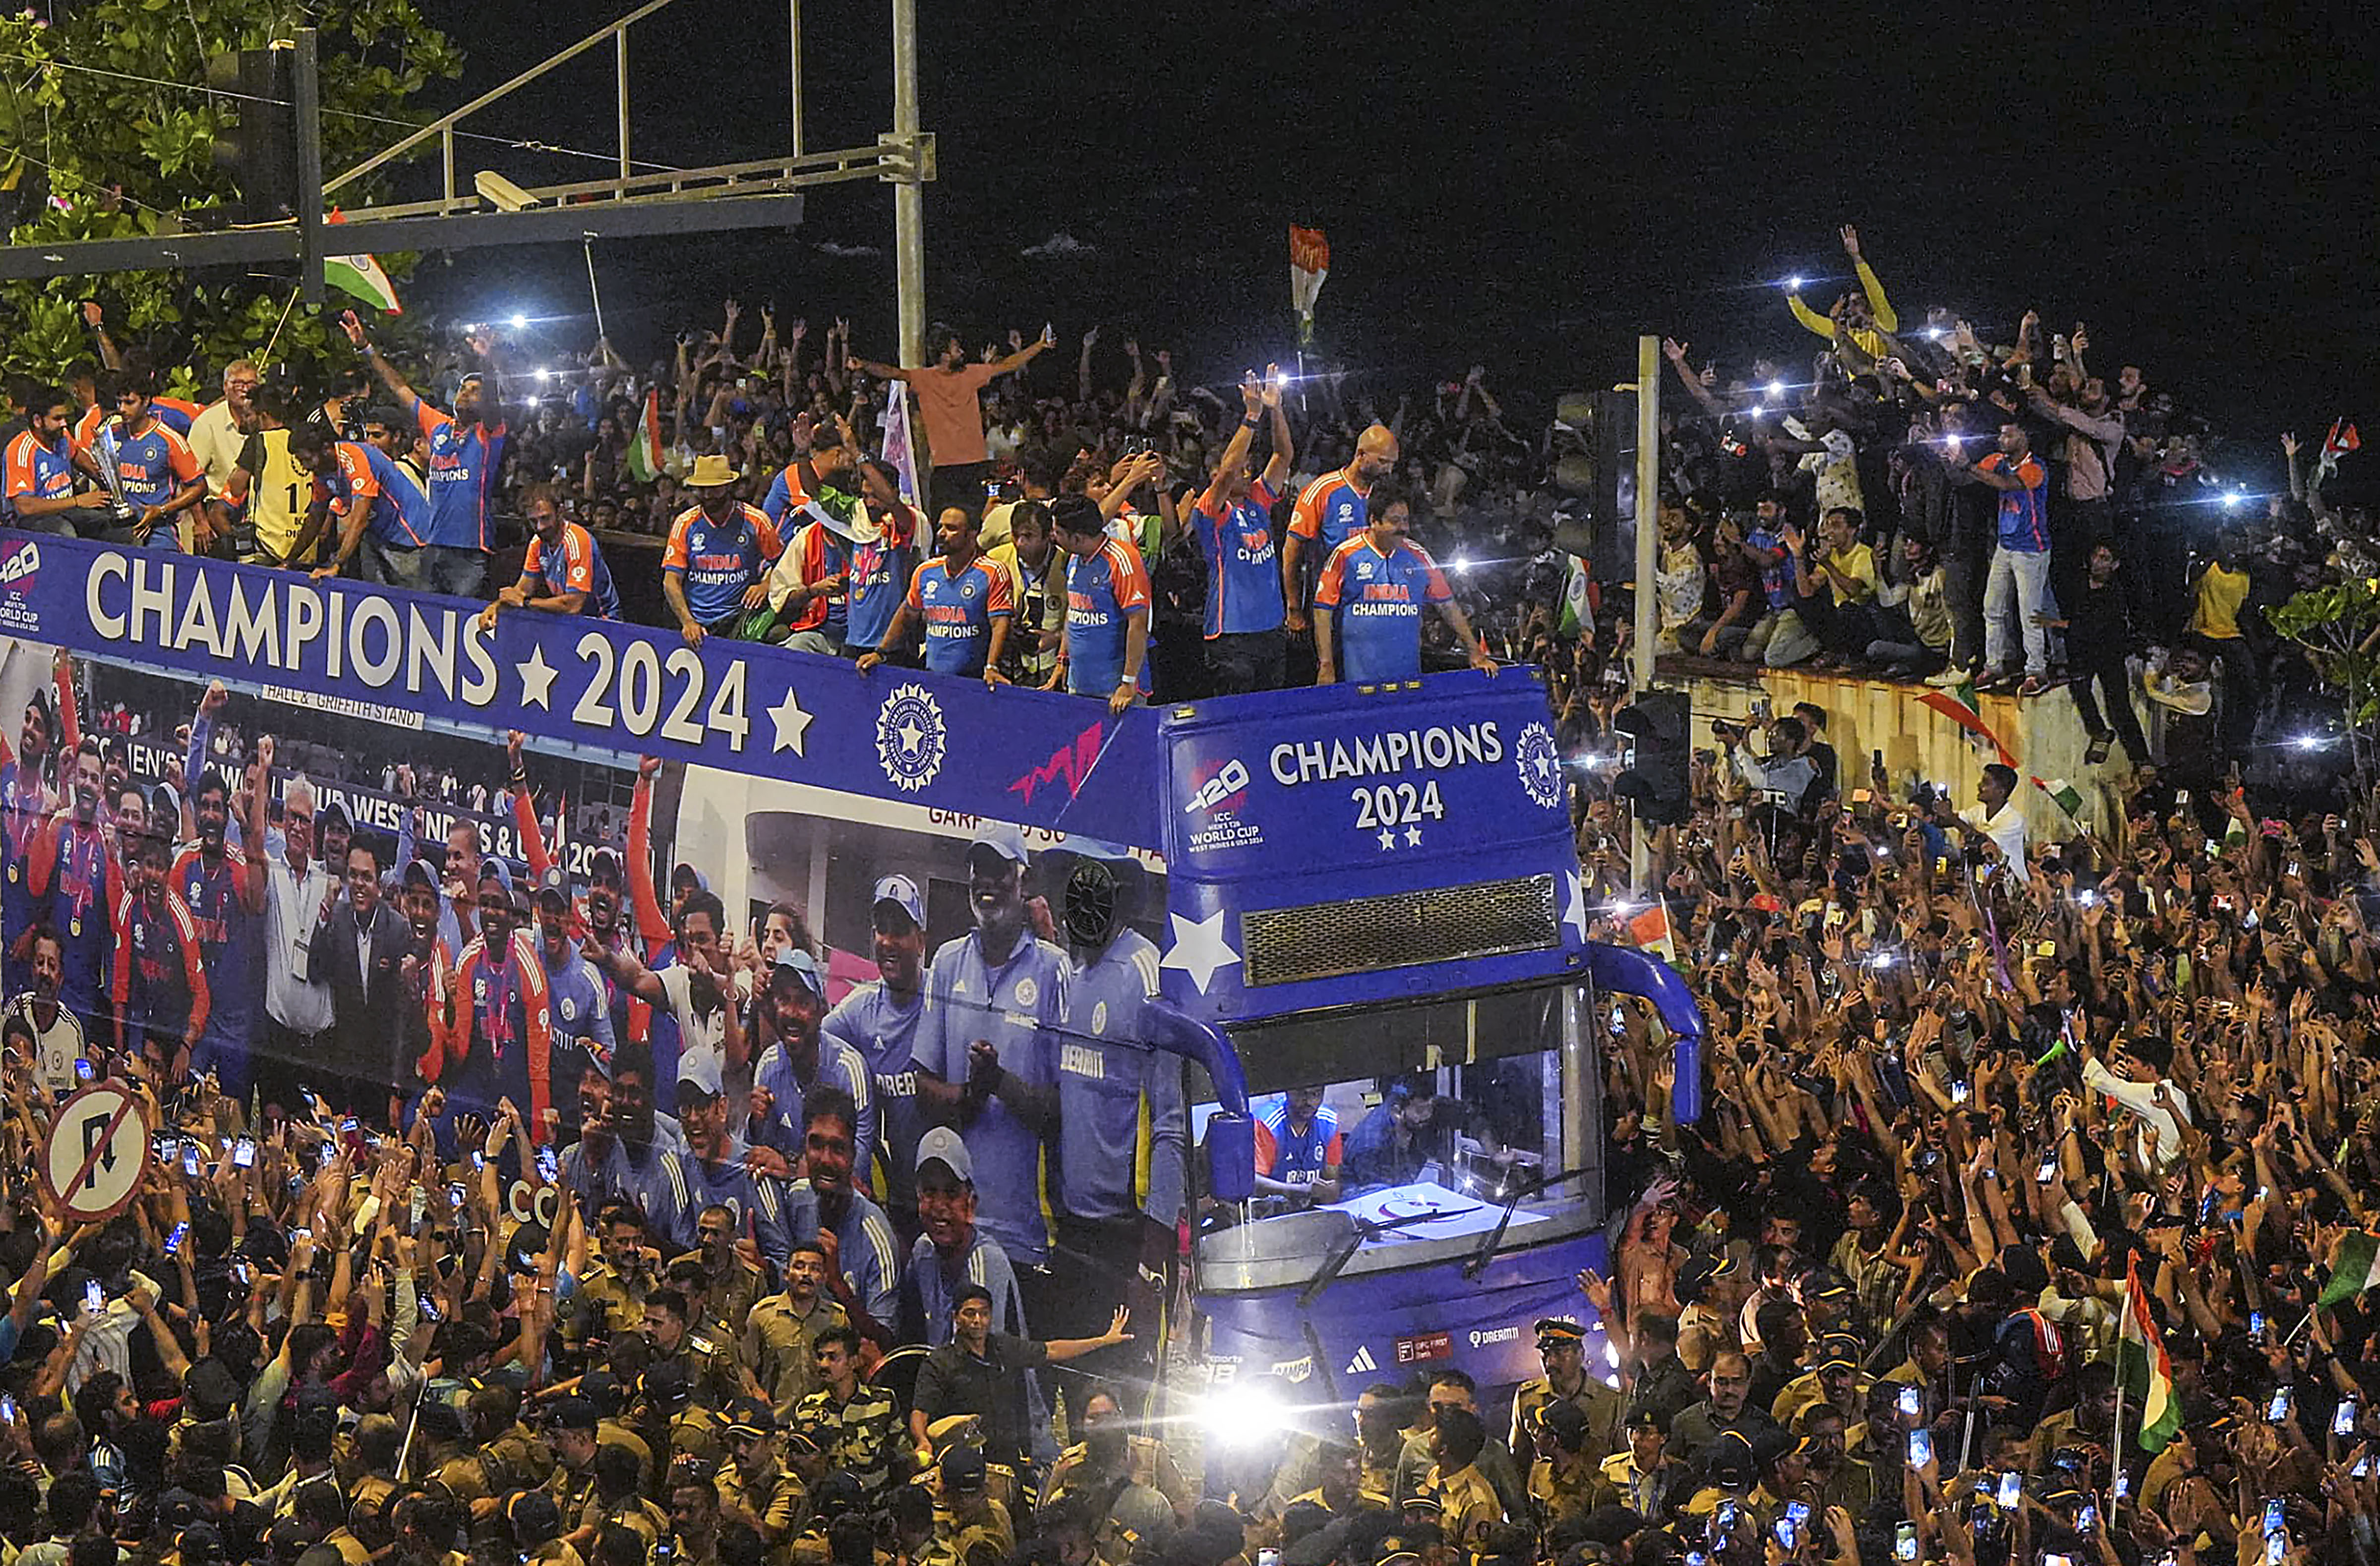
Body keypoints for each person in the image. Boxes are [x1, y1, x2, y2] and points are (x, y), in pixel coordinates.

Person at [913, 823, 1068, 1281]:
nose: (987, 882)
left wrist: (999, 1081)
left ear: (1024, 883)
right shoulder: (945, 962)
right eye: (979, 869)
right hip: (954, 1231)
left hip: (1027, 1236)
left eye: (1000, 870)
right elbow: (921, 1089)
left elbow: (1063, 1109)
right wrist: (970, 1095)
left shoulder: (1054, 970)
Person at [344, 313, 509, 596]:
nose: (466, 395)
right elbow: (399, 387)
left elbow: (494, 403)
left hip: (469, 553)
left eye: (475, 392)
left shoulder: (488, 433)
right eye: (463, 389)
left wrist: (486, 360)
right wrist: (366, 348)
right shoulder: (439, 427)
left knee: (462, 629)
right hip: (431, 547)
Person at [908, 1285, 1131, 1472]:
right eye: (970, 1313)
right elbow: (921, 1410)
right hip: (964, 1462)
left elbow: (1052, 1350)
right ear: (956, 1318)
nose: (978, 1320)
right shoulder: (940, 1362)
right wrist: (922, 1441)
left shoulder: (1003, 1347)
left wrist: (1103, 1341)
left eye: (984, 1313)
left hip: (1008, 1460)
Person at [848, 325, 1055, 517]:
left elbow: (1008, 365)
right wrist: (864, 365)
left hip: (975, 467)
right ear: (944, 355)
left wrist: (1039, 345)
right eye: (957, 349)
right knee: (945, 525)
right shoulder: (924, 378)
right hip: (945, 469)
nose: (962, 352)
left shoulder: (971, 374)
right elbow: (892, 372)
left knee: (975, 524)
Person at [1312, 486, 1497, 685]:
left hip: (1407, 679)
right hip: (1357, 679)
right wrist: (1326, 664)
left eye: (1406, 520)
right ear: (1374, 521)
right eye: (1395, 521)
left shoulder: (1418, 555)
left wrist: (1476, 653)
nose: (1403, 528)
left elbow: (1447, 606)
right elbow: (1322, 610)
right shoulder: (1346, 555)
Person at [822, 875, 929, 1216]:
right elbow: (810, 1043)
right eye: (881, 929)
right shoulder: (860, 1008)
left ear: (921, 940)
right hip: (896, 1194)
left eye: (899, 930)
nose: (887, 940)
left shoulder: (943, 999)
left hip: (946, 1191)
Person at [1184, 370, 1292, 693]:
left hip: (1272, 631)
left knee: (1270, 717)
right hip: (1232, 637)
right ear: (1214, 475)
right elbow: (1229, 471)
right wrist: (1252, 415)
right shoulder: (1211, 509)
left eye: (1250, 467)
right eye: (1241, 467)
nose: (1247, 472)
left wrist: (1276, 409)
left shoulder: (1258, 499)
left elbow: (1284, 456)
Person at [308, 838, 411, 1113]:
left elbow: (402, 1015)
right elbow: (315, 972)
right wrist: (324, 915)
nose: (359, 884)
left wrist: (397, 1083)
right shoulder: (337, 918)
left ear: (379, 883)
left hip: (379, 1069)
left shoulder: (397, 929)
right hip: (340, 1065)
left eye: (367, 877)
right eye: (353, 875)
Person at [1956, 418, 2055, 696]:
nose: (2002, 439)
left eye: (2009, 434)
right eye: (2001, 434)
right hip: (2005, 545)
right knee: (1992, 607)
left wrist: (1967, 465)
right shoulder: (1998, 459)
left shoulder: (2037, 468)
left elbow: (2006, 484)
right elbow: (1969, 476)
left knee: (2029, 613)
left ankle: (2037, 671)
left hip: (2031, 549)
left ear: (2024, 437)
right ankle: (1994, 666)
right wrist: (1954, 460)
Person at [858, 505, 1011, 681]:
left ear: (972, 534)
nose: (941, 533)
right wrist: (881, 652)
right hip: (933, 678)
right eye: (941, 527)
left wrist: (992, 667)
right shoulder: (926, 571)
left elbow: (1000, 623)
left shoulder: (992, 571)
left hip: (974, 680)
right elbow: (907, 613)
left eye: (952, 529)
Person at [909, 1127, 1028, 1344]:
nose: (939, 1205)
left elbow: (979, 1364)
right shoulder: (922, 1252)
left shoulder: (987, 1261)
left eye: (952, 1193)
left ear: (971, 1204)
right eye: (929, 1191)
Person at [2037, 539, 2146, 767]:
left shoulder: (2115, 592)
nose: (2098, 563)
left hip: (2109, 651)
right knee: (2080, 688)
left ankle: (2142, 759)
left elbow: (2095, 624)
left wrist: (2058, 624)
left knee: (2119, 707)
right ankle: (2100, 734)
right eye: (2096, 556)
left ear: (2115, 565)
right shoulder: (2078, 583)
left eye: (2105, 559)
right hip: (2082, 651)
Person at [287, 420, 432, 586]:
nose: (305, 468)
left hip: (409, 535)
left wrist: (337, 565)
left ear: (326, 449)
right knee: (375, 594)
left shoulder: (354, 458)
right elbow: (315, 518)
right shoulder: (322, 471)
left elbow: (360, 519)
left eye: (307, 460)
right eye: (301, 461)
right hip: (378, 536)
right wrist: (288, 561)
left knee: (412, 600)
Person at [1284, 423, 1399, 632]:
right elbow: (1292, 552)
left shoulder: (1387, 494)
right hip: (1330, 606)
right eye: (1383, 462)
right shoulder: (1322, 491)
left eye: (1392, 464)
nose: (1388, 470)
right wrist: (1294, 608)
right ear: (1361, 454)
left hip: (1374, 607)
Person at [664, 455, 785, 645]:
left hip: (740, 618)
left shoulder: (756, 521)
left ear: (729, 487)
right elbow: (671, 581)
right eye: (702, 490)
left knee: (779, 633)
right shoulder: (685, 523)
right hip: (696, 619)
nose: (707, 496)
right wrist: (688, 621)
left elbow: (783, 564)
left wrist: (765, 585)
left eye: (714, 489)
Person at [1049, 494, 1152, 714]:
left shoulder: (1123, 560)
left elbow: (1138, 624)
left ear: (1077, 538)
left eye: (1058, 533)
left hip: (1116, 691)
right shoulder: (1075, 559)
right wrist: (1062, 661)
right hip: (1079, 685)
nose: (1053, 536)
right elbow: (1074, 611)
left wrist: (1128, 683)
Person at [481, 485, 620, 628]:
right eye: (533, 521)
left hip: (604, 622)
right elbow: (522, 590)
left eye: (545, 518)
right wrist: (496, 607)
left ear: (560, 512)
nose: (540, 527)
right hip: (571, 622)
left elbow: (574, 604)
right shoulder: (537, 543)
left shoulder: (578, 541)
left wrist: (526, 602)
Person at [100, 373, 206, 549]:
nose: (122, 409)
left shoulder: (169, 440)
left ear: (146, 401)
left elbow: (200, 487)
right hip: (117, 528)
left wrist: (161, 510)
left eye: (129, 403)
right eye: (119, 402)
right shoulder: (111, 436)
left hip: (159, 532)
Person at [4, 387, 117, 534]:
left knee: (107, 523)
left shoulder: (62, 437)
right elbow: (25, 507)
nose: (64, 424)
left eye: (65, 418)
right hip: (31, 520)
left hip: (66, 510)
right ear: (38, 421)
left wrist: (108, 479)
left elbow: (79, 457)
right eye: (57, 419)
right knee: (65, 532)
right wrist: (78, 501)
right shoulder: (20, 450)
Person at [7, 926, 85, 1098]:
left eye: (52, 966)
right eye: (40, 963)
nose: (45, 972)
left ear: (61, 977)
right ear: (31, 969)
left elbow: (76, 1100)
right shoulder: (16, 1012)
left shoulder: (72, 1029)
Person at [1252, 1085, 1343, 1204]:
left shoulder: (1329, 1123)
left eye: (1315, 1095)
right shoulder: (1267, 1124)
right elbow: (1253, 1182)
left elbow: (1332, 1179)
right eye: (1302, 1094)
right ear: (1288, 1092)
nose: (1308, 1102)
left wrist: (1330, 1191)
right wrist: (1301, 1190)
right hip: (1269, 1209)